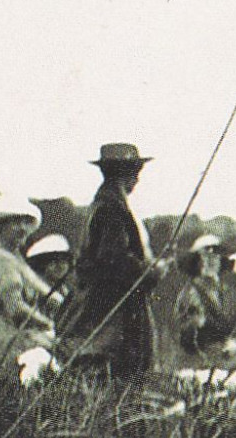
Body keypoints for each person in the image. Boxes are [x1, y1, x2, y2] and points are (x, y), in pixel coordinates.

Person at [59, 143, 161, 378]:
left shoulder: (105, 203)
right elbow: (114, 259)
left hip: (107, 301)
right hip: (116, 305)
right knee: (121, 366)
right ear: (127, 174)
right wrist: (150, 271)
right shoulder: (111, 208)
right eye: (135, 172)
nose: (137, 179)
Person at [0, 197, 55, 369]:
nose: (23, 229)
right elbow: (16, 309)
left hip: (21, 342)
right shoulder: (0, 260)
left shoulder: (16, 260)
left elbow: (48, 294)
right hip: (7, 349)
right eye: (15, 222)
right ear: (1, 226)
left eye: (26, 222)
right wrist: (50, 325)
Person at [172, 234, 236, 361]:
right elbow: (184, 335)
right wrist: (196, 323)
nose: (211, 260)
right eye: (205, 255)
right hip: (202, 359)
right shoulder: (190, 292)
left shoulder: (230, 291)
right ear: (197, 261)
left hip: (234, 357)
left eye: (216, 255)